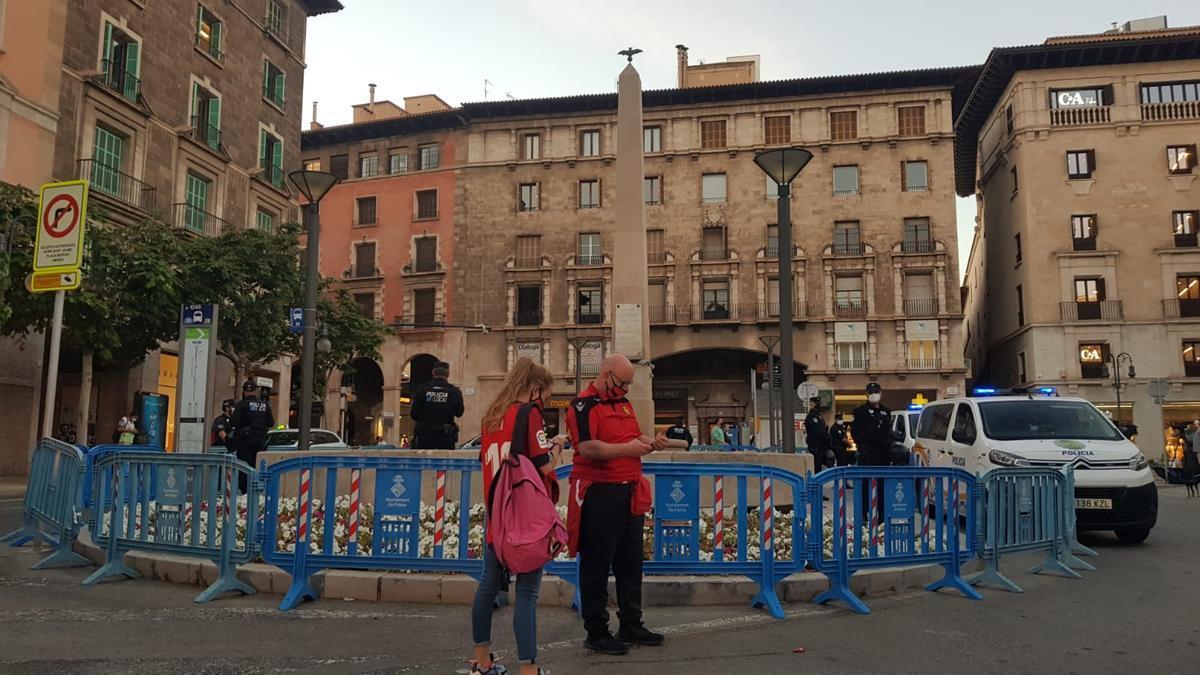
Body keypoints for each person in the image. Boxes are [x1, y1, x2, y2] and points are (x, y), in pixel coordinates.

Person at [566, 354, 667, 656]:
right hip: (600, 492)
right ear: (606, 374)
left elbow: (634, 437)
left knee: (630, 562)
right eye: (622, 383)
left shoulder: (622, 403)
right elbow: (588, 447)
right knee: (596, 565)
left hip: (629, 491)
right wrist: (629, 448)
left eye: (628, 384)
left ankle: (631, 622)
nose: (625, 389)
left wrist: (651, 443)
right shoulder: (582, 406)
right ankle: (596, 631)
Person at [470, 358, 566, 675]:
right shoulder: (530, 413)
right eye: (548, 397)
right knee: (526, 592)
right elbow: (544, 466)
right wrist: (558, 447)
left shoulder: (492, 416)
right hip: (523, 516)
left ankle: (482, 660)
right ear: (536, 389)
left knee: (488, 585)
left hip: (495, 512)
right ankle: (529, 668)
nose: (546, 403)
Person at [852, 382, 892, 515]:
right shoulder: (860, 411)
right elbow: (855, 432)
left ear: (881, 393)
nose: (874, 395)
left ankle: (882, 515)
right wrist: (861, 446)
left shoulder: (886, 411)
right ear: (866, 394)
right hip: (867, 453)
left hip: (882, 454)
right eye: (871, 392)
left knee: (882, 486)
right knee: (865, 486)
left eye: (876, 392)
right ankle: (864, 514)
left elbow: (888, 432)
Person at [411, 361, 465, 449]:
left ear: (433, 373)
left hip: (425, 437)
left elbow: (414, 414)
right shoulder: (454, 391)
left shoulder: (421, 390)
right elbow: (459, 413)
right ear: (448, 374)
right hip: (445, 436)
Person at [230, 380, 274, 482]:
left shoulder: (241, 405)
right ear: (255, 391)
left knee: (244, 468)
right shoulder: (264, 405)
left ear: (244, 392)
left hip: (245, 441)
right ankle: (257, 489)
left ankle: (246, 492)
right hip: (260, 441)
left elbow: (234, 422)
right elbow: (270, 423)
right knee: (258, 466)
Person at [804, 397, 831, 472]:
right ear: (811, 404)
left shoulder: (819, 415)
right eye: (815, 403)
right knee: (816, 468)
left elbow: (824, 429)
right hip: (815, 446)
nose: (817, 405)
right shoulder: (812, 416)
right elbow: (819, 431)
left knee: (820, 467)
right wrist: (827, 440)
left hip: (821, 446)